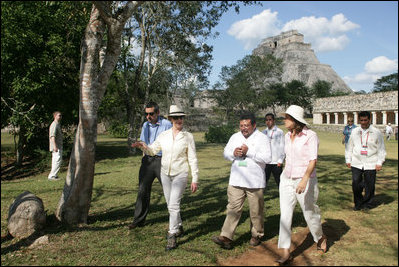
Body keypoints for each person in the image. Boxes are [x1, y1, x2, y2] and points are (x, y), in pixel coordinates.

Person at [132, 105, 198, 251]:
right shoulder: (164, 135)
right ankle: (179, 226)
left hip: (180, 174)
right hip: (165, 174)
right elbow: (153, 150)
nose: (179, 120)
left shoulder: (188, 136)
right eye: (176, 118)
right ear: (171, 119)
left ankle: (172, 234)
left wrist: (195, 178)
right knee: (170, 204)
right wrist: (142, 146)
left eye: (181, 117)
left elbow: (192, 158)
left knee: (174, 205)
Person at [212, 112, 271, 250]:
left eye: (247, 125)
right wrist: (233, 153)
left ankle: (256, 235)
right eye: (241, 125)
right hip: (236, 180)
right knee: (233, 208)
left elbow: (267, 158)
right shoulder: (235, 137)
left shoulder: (262, 138)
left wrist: (248, 152)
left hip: (254, 182)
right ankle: (226, 237)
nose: (244, 128)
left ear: (254, 125)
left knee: (256, 211)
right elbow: (225, 153)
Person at [276, 105, 327, 265]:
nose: (284, 120)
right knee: (285, 214)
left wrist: (305, 179)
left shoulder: (310, 136)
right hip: (287, 178)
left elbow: (313, 160)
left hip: (304, 179)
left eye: (287, 118)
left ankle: (320, 237)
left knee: (309, 212)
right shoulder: (286, 136)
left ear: (295, 120)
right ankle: (285, 252)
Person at [128, 102, 172, 229]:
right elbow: (144, 143)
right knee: (142, 190)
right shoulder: (145, 125)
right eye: (146, 114)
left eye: (151, 114)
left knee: (169, 191)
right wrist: (141, 149)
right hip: (147, 160)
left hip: (161, 160)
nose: (148, 116)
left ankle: (175, 222)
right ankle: (138, 221)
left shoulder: (167, 125)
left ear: (157, 113)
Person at [345, 111, 386, 211]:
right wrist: (348, 159)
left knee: (369, 184)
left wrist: (380, 162)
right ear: (358, 120)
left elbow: (381, 148)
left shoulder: (376, 132)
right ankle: (358, 203)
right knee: (356, 183)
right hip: (356, 162)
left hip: (371, 162)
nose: (363, 122)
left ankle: (368, 203)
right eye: (361, 120)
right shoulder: (355, 131)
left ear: (369, 120)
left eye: (365, 120)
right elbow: (349, 146)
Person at [262, 113, 285, 188]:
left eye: (270, 119)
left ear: (274, 120)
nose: (268, 121)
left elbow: (282, 146)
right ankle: (260, 197)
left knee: (279, 181)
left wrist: (280, 160)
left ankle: (283, 196)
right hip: (266, 161)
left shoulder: (279, 132)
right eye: (266, 120)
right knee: (263, 180)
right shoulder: (263, 132)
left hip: (276, 162)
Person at [48, 111, 63, 181]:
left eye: (60, 116)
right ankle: (52, 176)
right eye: (59, 115)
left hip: (59, 146)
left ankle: (54, 175)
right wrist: (55, 146)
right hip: (56, 147)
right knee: (56, 160)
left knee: (57, 160)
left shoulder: (58, 124)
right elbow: (52, 136)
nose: (60, 117)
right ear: (55, 116)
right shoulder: (54, 124)